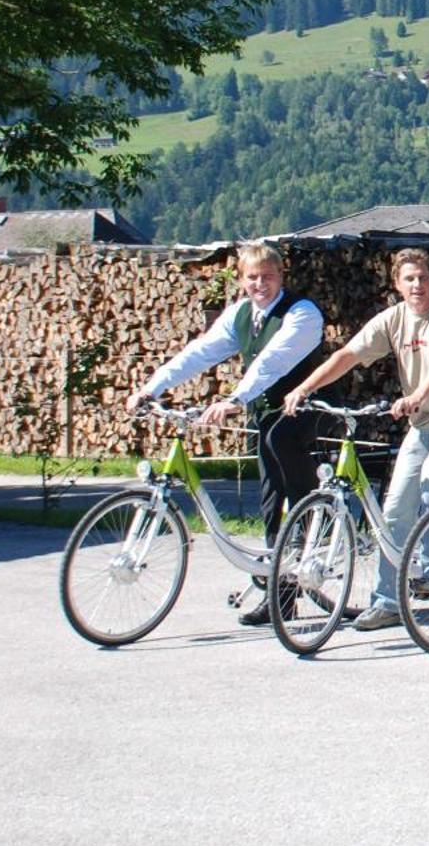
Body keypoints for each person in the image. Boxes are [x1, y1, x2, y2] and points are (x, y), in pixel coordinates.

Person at [284, 248, 429, 631]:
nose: (418, 286)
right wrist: (305, 388)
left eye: (423, 278)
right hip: (424, 421)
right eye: (409, 279)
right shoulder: (393, 319)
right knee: (394, 509)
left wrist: (416, 397)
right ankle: (387, 602)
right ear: (397, 284)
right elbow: (348, 354)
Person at [128, 241, 326, 625]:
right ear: (241, 280)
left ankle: (309, 531)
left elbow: (274, 361)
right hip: (267, 412)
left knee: (284, 463)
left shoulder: (301, 313)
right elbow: (201, 352)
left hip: (307, 410)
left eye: (267, 276)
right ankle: (281, 597)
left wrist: (236, 398)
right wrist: (151, 387)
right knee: (270, 498)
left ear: (281, 276)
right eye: (252, 277)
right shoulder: (240, 315)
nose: (260, 284)